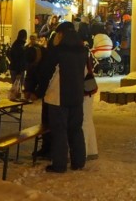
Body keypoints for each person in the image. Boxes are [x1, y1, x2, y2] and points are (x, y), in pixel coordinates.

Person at [26, 21, 87, 173]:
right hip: (77, 97)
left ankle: (59, 165)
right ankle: (78, 161)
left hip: (58, 97)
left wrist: (38, 93)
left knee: (59, 130)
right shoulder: (82, 51)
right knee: (76, 129)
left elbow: (47, 75)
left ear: (60, 34)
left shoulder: (57, 52)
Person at [8, 29, 28, 99]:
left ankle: (15, 105)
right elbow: (19, 60)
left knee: (15, 86)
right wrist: (19, 73)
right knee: (17, 88)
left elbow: (11, 56)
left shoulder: (16, 44)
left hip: (13, 68)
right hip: (18, 70)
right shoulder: (20, 46)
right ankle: (15, 105)